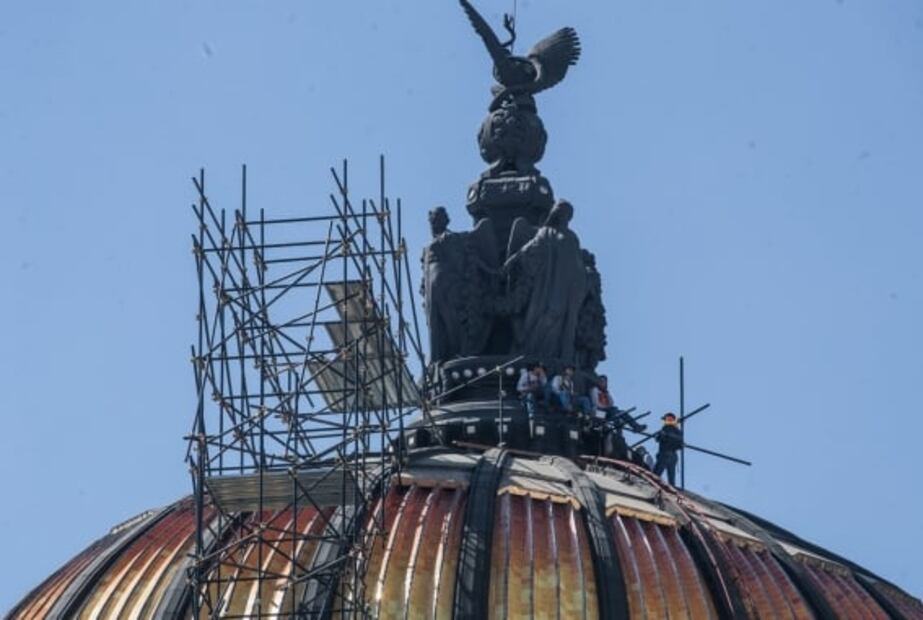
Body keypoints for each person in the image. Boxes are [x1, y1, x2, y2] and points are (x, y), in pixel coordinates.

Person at [653, 413, 684, 485]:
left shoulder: (666, 428)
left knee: (655, 475)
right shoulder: (677, 431)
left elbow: (659, 439)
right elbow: (680, 445)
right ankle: (672, 488)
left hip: (665, 454)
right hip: (673, 455)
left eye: (668, 419)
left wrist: (661, 435)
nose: (666, 421)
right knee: (671, 479)